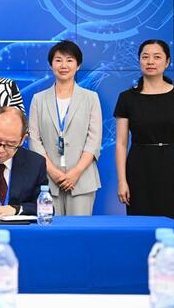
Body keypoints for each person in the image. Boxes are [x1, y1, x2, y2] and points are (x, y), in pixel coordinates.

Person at [114, 39, 174, 224]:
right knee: (141, 225)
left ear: (167, 62)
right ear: (139, 61)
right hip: (140, 168)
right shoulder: (127, 98)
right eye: (145, 57)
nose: (150, 61)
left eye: (157, 57)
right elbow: (121, 143)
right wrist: (122, 181)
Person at [28, 40, 102, 216]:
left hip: (82, 180)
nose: (63, 65)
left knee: (80, 230)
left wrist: (76, 172)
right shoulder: (38, 99)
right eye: (58, 60)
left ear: (78, 65)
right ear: (51, 65)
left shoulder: (91, 98)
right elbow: (34, 140)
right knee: (50, 228)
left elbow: (94, 140)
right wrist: (53, 172)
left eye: (69, 60)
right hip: (48, 181)